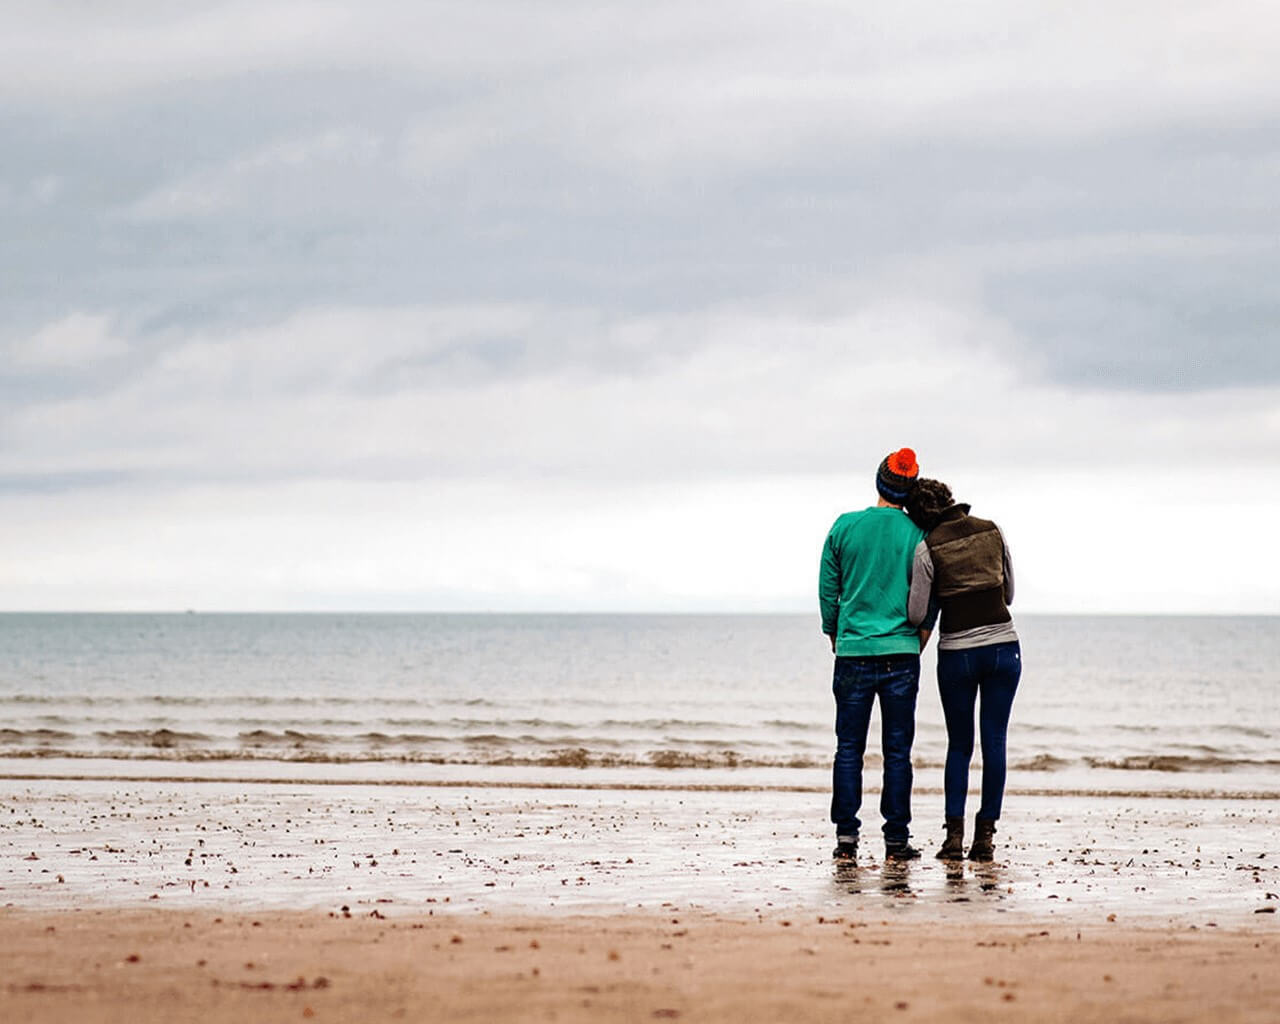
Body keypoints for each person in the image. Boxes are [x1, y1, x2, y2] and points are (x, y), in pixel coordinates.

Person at [819, 448, 933, 862]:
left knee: (848, 747)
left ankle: (846, 838)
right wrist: (920, 635)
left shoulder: (844, 527)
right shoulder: (918, 535)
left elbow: (828, 591)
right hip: (901, 652)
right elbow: (929, 594)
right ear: (908, 490)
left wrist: (835, 632)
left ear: (878, 483)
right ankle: (896, 840)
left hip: (853, 650)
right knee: (897, 751)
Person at [905, 478, 1020, 862]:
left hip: (958, 653)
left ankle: (954, 839)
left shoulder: (927, 547)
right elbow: (1009, 595)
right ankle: (985, 838)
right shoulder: (993, 530)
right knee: (995, 743)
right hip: (1004, 647)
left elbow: (917, 613)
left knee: (959, 745)